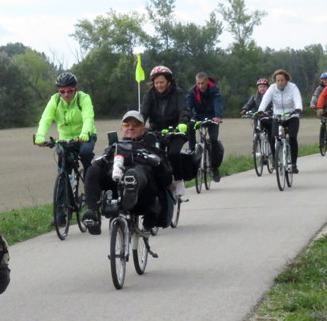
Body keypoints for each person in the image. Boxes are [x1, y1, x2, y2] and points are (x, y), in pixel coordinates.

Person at [81, 111, 173, 235]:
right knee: (92, 170)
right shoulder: (114, 148)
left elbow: (167, 179)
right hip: (116, 187)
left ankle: (131, 187)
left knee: (136, 171)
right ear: (122, 128)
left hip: (143, 195)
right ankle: (93, 214)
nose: (130, 127)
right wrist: (101, 161)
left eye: (136, 124)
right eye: (126, 124)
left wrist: (157, 163)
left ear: (143, 129)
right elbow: (101, 168)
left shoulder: (151, 149)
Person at [139, 65, 191, 196]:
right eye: (156, 82)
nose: (159, 85)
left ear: (168, 82)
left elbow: (183, 109)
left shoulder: (178, 93)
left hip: (175, 131)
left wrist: (182, 123)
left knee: (173, 154)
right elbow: (143, 112)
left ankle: (179, 180)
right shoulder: (149, 95)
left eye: (161, 82)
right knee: (153, 156)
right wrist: (139, 125)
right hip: (156, 132)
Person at [34, 72, 97, 175]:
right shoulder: (55, 100)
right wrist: (40, 135)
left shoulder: (83, 98)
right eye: (62, 92)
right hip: (65, 140)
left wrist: (85, 133)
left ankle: (89, 180)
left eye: (69, 91)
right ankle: (64, 182)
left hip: (85, 136)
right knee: (63, 164)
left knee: (85, 154)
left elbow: (88, 117)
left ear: (75, 89)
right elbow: (45, 119)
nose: (66, 95)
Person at [257, 70, 303, 173]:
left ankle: (294, 164)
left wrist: (298, 108)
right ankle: (275, 160)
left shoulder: (292, 87)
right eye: (278, 80)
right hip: (277, 116)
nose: (280, 82)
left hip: (291, 115)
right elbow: (265, 99)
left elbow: (297, 98)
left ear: (286, 80)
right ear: (275, 81)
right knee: (273, 137)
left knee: (292, 137)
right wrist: (261, 110)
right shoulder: (272, 88)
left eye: (282, 80)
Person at [185, 71, 225, 182]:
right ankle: (193, 154)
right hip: (198, 116)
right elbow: (188, 106)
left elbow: (218, 103)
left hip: (212, 117)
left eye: (202, 83)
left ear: (207, 81)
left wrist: (217, 116)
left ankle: (215, 167)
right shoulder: (192, 91)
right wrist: (187, 117)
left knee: (213, 140)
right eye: (198, 83)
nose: (200, 86)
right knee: (190, 129)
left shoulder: (214, 90)